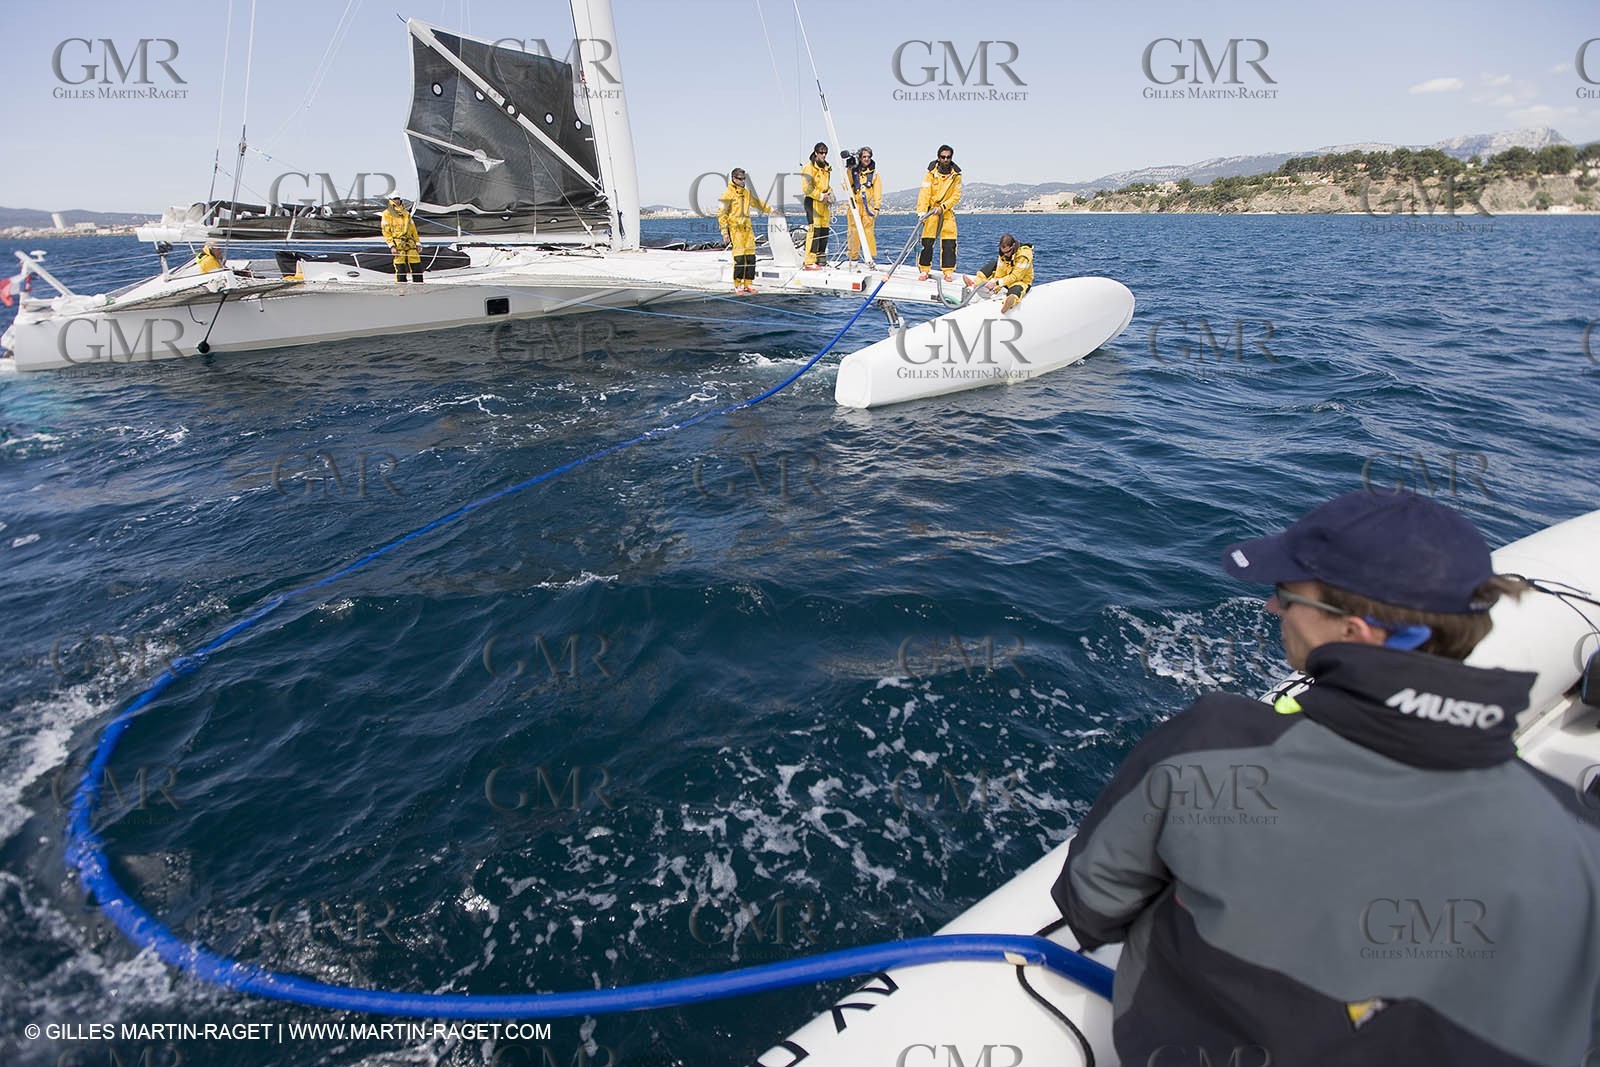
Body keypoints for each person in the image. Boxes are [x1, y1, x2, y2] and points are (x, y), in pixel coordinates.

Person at [1052, 490, 1600, 1067]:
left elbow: (1092, 908)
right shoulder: (1573, 832)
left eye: (1287, 596)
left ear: (1358, 632)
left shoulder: (1211, 744)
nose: (1271, 608)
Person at [717, 168, 773, 294]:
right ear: (734, 179)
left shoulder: (746, 193)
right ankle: (738, 284)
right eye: (740, 179)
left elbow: (757, 203)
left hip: (747, 229)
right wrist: (725, 232)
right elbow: (722, 214)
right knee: (740, 258)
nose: (743, 182)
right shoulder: (727, 194)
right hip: (735, 230)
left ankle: (748, 283)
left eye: (744, 179)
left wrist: (771, 210)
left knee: (750, 257)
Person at [916, 144, 961, 281]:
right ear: (938, 158)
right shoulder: (930, 174)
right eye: (943, 157)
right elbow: (925, 193)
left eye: (948, 157)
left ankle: (948, 271)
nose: (945, 159)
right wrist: (922, 211)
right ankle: (924, 269)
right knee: (927, 241)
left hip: (946, 211)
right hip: (931, 212)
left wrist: (943, 207)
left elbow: (956, 196)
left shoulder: (956, 176)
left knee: (949, 242)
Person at [968, 233, 1032, 313]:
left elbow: (1016, 277)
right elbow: (999, 272)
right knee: (991, 266)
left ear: (1013, 246)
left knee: (1017, 288)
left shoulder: (1024, 256)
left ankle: (1010, 301)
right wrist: (995, 286)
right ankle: (976, 283)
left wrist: (998, 282)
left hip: (1021, 280)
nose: (1006, 254)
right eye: (1004, 252)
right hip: (1005, 278)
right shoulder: (1003, 254)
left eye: (1008, 251)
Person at [843, 146, 881, 263]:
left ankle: (870, 258)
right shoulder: (853, 172)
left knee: (869, 232)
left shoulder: (874, 174)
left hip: (867, 207)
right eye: (864, 157)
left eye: (868, 157)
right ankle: (853, 258)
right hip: (855, 206)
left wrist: (877, 207)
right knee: (853, 232)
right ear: (860, 158)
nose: (866, 159)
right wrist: (849, 170)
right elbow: (845, 185)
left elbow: (877, 191)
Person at [800, 142, 833, 269]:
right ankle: (809, 261)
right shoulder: (809, 168)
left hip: (824, 203)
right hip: (813, 201)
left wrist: (830, 192)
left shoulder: (826, 168)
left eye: (825, 153)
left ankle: (821, 259)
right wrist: (820, 196)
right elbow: (806, 188)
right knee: (815, 231)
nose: (823, 155)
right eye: (821, 152)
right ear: (815, 153)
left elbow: (825, 185)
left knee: (824, 230)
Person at [381, 194, 424, 282]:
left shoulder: (406, 213)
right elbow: (386, 231)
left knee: (416, 264)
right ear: (390, 200)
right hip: (398, 244)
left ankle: (418, 284)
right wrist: (391, 245)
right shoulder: (387, 213)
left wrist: (417, 242)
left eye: (398, 199)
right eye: (394, 199)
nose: (396, 201)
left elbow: (413, 229)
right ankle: (401, 286)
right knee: (400, 267)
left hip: (410, 242)